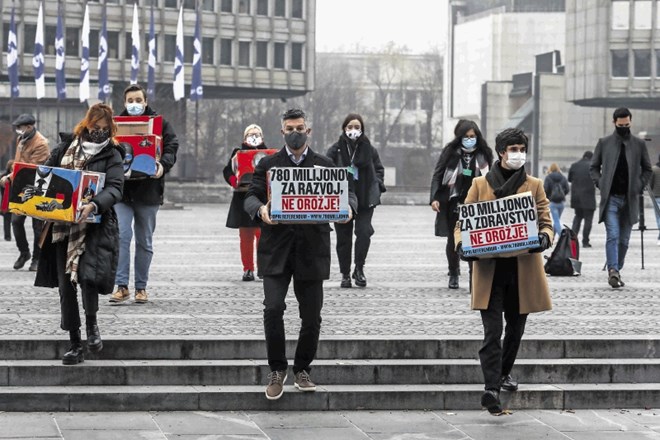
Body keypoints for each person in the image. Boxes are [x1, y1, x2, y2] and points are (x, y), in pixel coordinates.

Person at [244, 108, 357, 401]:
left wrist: (349, 209)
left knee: (311, 317)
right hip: (276, 250)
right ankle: (277, 370)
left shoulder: (326, 163)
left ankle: (303, 368)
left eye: (300, 127)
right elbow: (251, 196)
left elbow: (349, 193)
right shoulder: (268, 164)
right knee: (272, 308)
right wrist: (261, 209)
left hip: (311, 249)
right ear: (282, 132)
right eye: (290, 128)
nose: (295, 132)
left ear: (309, 130)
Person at [454, 128, 553, 414]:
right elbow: (463, 223)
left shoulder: (534, 184)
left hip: (522, 271)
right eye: (513, 149)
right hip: (490, 270)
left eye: (521, 148)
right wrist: (462, 245)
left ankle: (504, 373)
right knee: (492, 331)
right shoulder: (479, 184)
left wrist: (544, 237)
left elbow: (546, 221)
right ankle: (491, 389)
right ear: (501, 152)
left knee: (515, 331)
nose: (517, 154)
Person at [34, 103, 124, 365]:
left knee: (87, 278)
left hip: (93, 225)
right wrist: (12, 179)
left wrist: (95, 203)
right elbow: (43, 173)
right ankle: (75, 343)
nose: (98, 133)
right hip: (61, 226)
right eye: (95, 127)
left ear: (111, 130)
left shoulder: (113, 154)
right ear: (87, 124)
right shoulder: (65, 146)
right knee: (66, 286)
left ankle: (92, 327)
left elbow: (116, 188)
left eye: (104, 129)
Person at [109, 84, 179, 304]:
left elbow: (172, 146)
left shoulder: (159, 123)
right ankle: (121, 286)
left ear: (146, 101)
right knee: (121, 236)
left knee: (144, 241)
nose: (134, 104)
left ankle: (141, 287)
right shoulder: (115, 124)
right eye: (130, 100)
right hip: (122, 191)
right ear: (124, 102)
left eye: (138, 100)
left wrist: (162, 166)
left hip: (148, 191)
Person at [590, 107, 652, 288]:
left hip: (630, 199)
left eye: (627, 124)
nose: (624, 127)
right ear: (614, 123)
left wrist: (640, 185)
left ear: (630, 122)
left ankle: (618, 269)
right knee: (613, 235)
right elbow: (593, 167)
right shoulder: (604, 143)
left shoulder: (639, 144)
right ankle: (613, 271)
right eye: (621, 125)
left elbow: (647, 168)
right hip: (611, 199)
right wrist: (600, 183)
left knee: (624, 240)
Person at [430, 120, 493, 289]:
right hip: (454, 201)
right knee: (454, 239)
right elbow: (438, 174)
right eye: (466, 136)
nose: (469, 139)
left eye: (472, 136)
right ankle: (454, 272)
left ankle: (474, 275)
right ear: (459, 137)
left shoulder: (484, 153)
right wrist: (434, 198)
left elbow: (492, 178)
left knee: (474, 240)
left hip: (477, 203)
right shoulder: (450, 152)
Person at [326, 113, 385, 288]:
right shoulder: (335, 149)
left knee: (364, 232)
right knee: (343, 237)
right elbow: (325, 169)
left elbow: (379, 169)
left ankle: (359, 268)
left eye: (357, 127)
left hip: (365, 197)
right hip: (342, 198)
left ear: (362, 129)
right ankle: (345, 273)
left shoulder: (369, 149)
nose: (353, 130)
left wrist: (378, 184)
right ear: (344, 129)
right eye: (350, 127)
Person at [0, 114, 49, 271]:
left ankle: (37, 258)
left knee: (37, 226)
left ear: (29, 127)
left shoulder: (41, 143)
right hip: (21, 187)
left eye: (20, 127)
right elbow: (18, 163)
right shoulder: (21, 140)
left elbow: (30, 169)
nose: (17, 130)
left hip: (37, 188)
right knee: (16, 221)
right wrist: (10, 175)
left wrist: (10, 176)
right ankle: (24, 252)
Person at [223, 124, 268, 281]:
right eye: (250, 134)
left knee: (262, 235)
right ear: (244, 138)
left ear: (262, 137)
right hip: (242, 198)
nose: (254, 136)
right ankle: (248, 269)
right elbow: (227, 170)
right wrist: (234, 181)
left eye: (256, 134)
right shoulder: (238, 152)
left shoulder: (267, 153)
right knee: (246, 236)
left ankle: (263, 268)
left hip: (262, 197)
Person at [568, 151, 596, 248]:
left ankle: (572, 241)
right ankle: (585, 241)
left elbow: (569, 179)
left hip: (577, 198)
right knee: (588, 220)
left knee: (577, 219)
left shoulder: (574, 165)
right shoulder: (592, 167)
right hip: (589, 198)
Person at [543, 163, 570, 237]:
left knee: (556, 220)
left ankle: (562, 237)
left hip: (553, 203)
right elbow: (567, 189)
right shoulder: (563, 177)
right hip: (561, 203)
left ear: (550, 169)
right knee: (556, 220)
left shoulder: (548, 177)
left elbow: (545, 189)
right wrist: (562, 195)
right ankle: (552, 236)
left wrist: (549, 197)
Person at [1, 160, 14, 241]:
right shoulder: (3, 177)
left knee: (16, 221)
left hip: (14, 200)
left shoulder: (18, 175)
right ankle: (7, 236)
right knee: (7, 220)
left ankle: (10, 235)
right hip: (6, 201)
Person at [651, 154, 660, 246]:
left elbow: (650, 183)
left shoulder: (654, 169)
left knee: (659, 217)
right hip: (656, 196)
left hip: (656, 196)